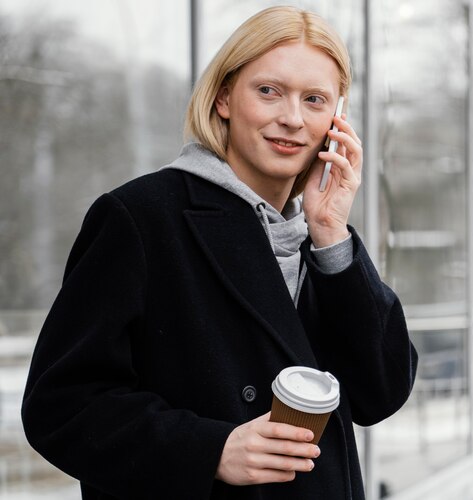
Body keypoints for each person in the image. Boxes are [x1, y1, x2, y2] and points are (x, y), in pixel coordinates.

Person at [22, 6, 417, 500]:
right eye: (269, 91)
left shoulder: (320, 239)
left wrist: (332, 236)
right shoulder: (142, 217)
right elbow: (60, 407)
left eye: (314, 100)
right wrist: (211, 449)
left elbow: (379, 394)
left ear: (337, 120)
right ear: (225, 96)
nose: (291, 118)